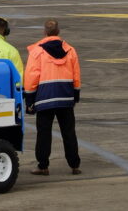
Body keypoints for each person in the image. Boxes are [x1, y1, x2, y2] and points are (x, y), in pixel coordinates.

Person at [24, 19, 81, 176]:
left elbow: (31, 77)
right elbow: (76, 75)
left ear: (45, 32)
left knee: (44, 133)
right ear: (58, 31)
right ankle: (74, 165)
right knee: (69, 132)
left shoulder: (37, 52)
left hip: (45, 98)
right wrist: (75, 94)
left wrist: (29, 100)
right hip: (65, 96)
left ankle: (43, 165)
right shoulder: (70, 50)